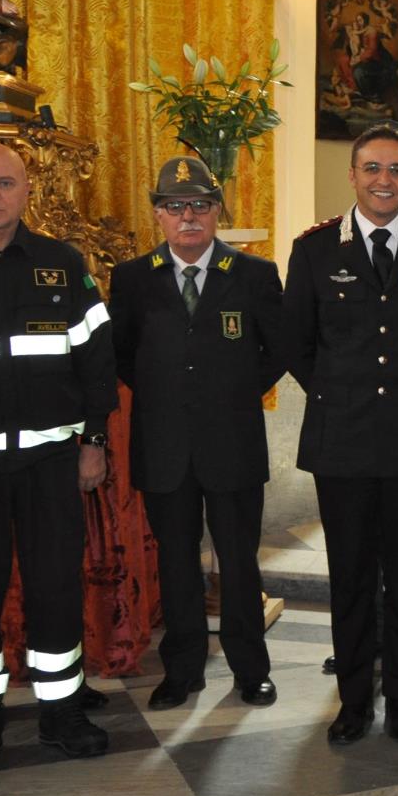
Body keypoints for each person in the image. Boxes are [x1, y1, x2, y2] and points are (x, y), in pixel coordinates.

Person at [0, 142, 116, 776]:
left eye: (4, 183)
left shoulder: (63, 265)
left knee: (56, 588)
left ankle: (61, 712)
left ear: (26, 191)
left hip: (48, 466)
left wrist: (94, 440)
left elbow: (97, 362)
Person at [284, 124, 398, 745]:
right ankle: (354, 700)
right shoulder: (313, 251)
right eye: (372, 169)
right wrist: (344, 395)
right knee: (351, 575)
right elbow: (297, 345)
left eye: (397, 169)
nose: (385, 180)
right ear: (353, 176)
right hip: (345, 442)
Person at [109, 157, 285, 711]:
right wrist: (172, 402)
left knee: (239, 560)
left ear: (217, 212)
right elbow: (123, 356)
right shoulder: (134, 278)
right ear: (158, 215)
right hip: (163, 446)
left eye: (200, 206)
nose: (189, 217)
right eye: (175, 207)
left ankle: (250, 669)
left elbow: (277, 350)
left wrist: (229, 395)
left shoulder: (254, 275)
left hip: (231, 442)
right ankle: (182, 670)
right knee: (176, 561)